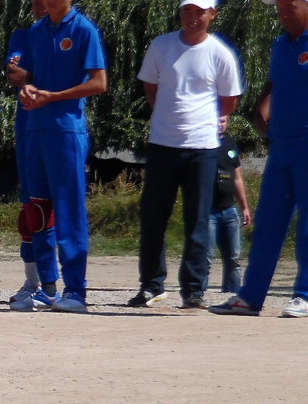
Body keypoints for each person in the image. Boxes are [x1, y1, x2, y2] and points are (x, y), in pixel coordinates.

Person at [130, 0, 241, 310]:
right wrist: (168, 116)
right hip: (163, 144)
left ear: (212, 15)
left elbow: (229, 99)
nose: (193, 18)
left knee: (198, 220)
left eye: (199, 12)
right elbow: (151, 87)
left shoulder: (220, 53)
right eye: (187, 11)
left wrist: (204, 121)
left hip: (203, 147)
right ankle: (152, 285)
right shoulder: (161, 45)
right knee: (153, 217)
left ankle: (193, 289)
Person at [7, 0, 107, 313]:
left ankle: (76, 291)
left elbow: (99, 83)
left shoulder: (83, 30)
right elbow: (32, 77)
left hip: (66, 129)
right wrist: (27, 88)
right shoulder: (37, 31)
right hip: (35, 126)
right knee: (37, 208)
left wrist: (54, 97)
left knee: (69, 209)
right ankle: (47, 288)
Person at [211, 0, 308, 318]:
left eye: (289, 5)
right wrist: (260, 109)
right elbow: (275, 83)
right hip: (281, 145)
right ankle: (251, 297)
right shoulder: (282, 45)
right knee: (268, 222)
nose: (282, 11)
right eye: (278, 5)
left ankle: (304, 294)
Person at [7, 0, 53, 306]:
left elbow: (86, 79)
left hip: (61, 127)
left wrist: (35, 75)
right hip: (28, 127)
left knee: (62, 210)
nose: (40, 5)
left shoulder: (78, 35)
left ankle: (65, 285)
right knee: (31, 210)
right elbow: (14, 73)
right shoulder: (23, 35)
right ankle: (34, 281)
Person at [207, 117, 250, 293]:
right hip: (208, 211)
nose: (219, 124)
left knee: (233, 257)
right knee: (206, 257)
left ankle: (232, 293)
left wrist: (245, 207)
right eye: (216, 120)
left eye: (223, 121)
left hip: (229, 209)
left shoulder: (231, 144)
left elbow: (238, 178)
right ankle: (197, 293)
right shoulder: (204, 144)